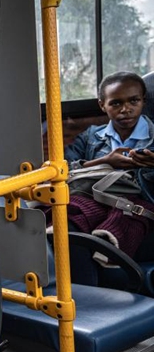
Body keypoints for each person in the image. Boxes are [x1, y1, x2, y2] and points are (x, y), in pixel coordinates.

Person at [62, 71, 154, 256]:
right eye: (116, 103)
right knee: (68, 221)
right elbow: (62, 170)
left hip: (139, 210)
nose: (125, 109)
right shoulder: (90, 137)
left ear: (143, 101)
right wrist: (104, 162)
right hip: (97, 203)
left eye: (133, 101)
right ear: (102, 105)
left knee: (119, 220)